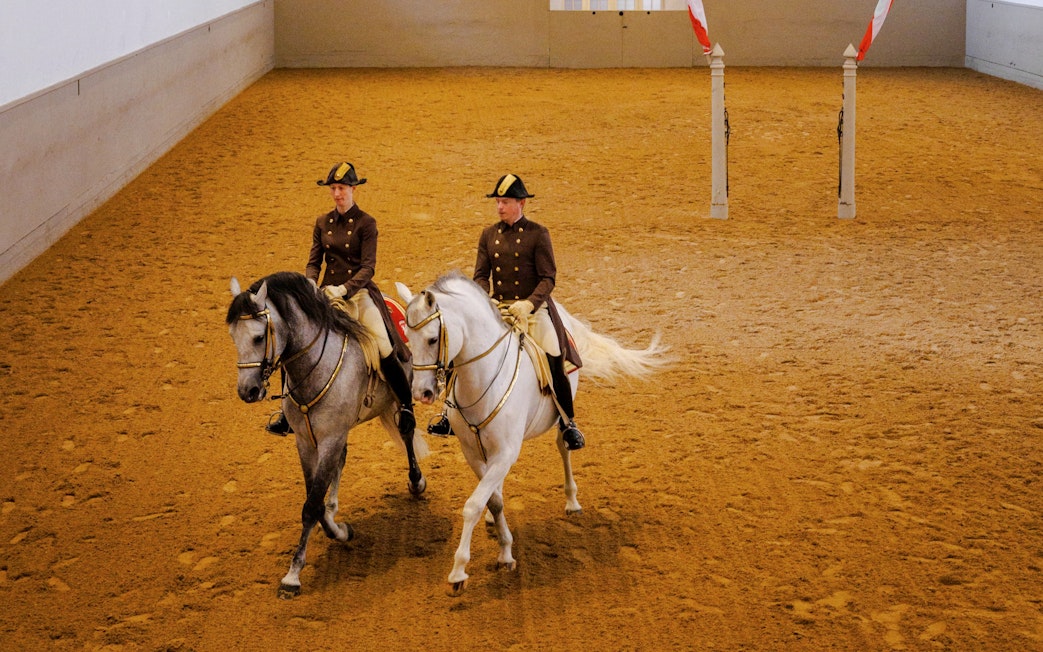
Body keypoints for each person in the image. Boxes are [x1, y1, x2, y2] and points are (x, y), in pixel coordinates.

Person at [431, 173, 585, 450]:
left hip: (533, 310)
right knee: (462, 345)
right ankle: (447, 414)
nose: (500, 207)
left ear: (521, 203)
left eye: (505, 202)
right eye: (498, 202)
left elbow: (548, 278)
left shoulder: (539, 234)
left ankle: (567, 422)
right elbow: (481, 275)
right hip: (497, 308)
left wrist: (528, 304)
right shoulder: (489, 235)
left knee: (553, 353)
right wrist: (483, 301)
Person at [265, 162, 415, 440]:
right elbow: (314, 262)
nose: (337, 193)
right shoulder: (322, 222)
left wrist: (344, 289)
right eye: (333, 188)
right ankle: (287, 414)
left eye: (342, 188)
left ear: (353, 189)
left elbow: (368, 267)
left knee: (383, 345)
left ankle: (406, 406)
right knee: (295, 340)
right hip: (325, 297)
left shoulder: (367, 223)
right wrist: (311, 282)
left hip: (359, 295)